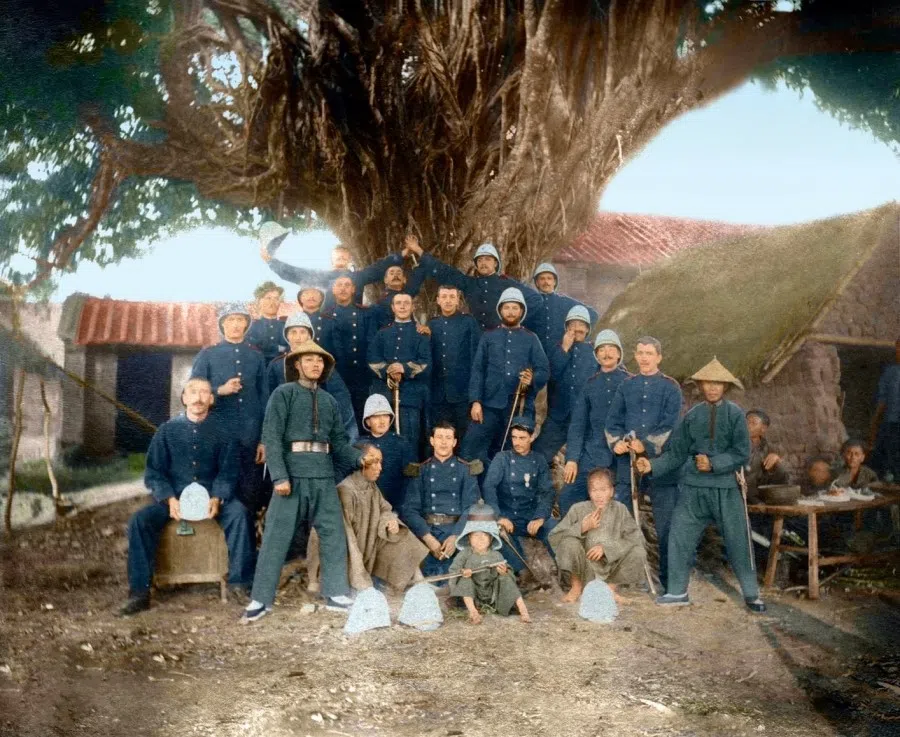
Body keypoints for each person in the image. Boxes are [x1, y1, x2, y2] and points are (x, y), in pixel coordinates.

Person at [242, 341, 380, 622]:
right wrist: (279, 475)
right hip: (291, 475)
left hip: (322, 475)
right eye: (308, 360)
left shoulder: (329, 402)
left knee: (332, 533)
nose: (315, 365)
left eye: (319, 361)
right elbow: (271, 437)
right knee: (276, 537)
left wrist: (359, 460)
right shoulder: (283, 394)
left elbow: (340, 443)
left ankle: (336, 593)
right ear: (297, 365)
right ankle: (260, 599)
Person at [636, 358, 766, 613]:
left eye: (718, 383)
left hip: (726, 489)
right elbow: (676, 453)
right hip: (693, 489)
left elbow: (742, 452)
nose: (713, 388)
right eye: (708, 382)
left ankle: (752, 594)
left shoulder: (735, 414)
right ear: (700, 385)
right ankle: (677, 591)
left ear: (725, 386)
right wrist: (652, 466)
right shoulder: (693, 415)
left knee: (738, 540)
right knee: (679, 536)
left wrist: (715, 463)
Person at [120, 378, 255, 615]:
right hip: (175, 499)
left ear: (212, 399)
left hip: (213, 498)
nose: (198, 397)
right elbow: (154, 473)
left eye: (204, 392)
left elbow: (229, 471)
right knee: (140, 521)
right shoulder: (167, 431)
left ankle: (238, 583)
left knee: (240, 515)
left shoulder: (224, 432)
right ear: (183, 398)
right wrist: (169, 499)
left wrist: (218, 496)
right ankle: (139, 592)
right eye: (192, 392)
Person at [604, 336, 682, 590]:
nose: (644, 358)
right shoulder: (626, 387)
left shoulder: (671, 387)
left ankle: (671, 583)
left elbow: (670, 424)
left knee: (665, 524)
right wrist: (617, 443)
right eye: (640, 353)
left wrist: (646, 446)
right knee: (623, 519)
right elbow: (613, 422)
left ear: (659, 357)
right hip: (628, 465)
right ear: (635, 356)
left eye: (650, 353)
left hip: (661, 465)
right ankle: (625, 578)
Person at [306, 445, 428, 594]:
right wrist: (362, 583)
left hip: (366, 546)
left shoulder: (370, 486)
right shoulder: (345, 490)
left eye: (380, 462)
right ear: (360, 462)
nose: (380, 468)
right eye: (375, 462)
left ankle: (418, 581)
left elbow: (384, 508)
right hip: (347, 555)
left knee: (400, 533)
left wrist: (390, 520)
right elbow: (348, 541)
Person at [459, 288, 549, 471]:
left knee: (512, 451)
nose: (510, 312)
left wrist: (532, 378)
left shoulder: (531, 339)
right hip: (488, 405)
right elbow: (478, 370)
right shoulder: (489, 336)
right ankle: (474, 490)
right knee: (472, 447)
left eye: (515, 308)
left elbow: (544, 370)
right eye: (506, 307)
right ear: (500, 310)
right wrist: (476, 401)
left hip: (517, 407)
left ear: (522, 311)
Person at [191, 303, 268, 514]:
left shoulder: (256, 356)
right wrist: (219, 391)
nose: (235, 325)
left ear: (246, 324)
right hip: (217, 434)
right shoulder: (208, 354)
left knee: (250, 493)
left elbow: (265, 399)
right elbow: (192, 392)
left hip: (250, 438)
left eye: (240, 320)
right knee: (216, 491)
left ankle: (247, 543)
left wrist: (263, 439)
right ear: (222, 325)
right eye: (230, 320)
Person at [559, 330, 631, 517]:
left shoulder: (630, 383)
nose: (606, 353)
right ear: (596, 354)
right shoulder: (590, 384)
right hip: (591, 455)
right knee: (568, 496)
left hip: (620, 458)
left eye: (611, 349)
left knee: (618, 506)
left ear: (619, 354)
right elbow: (578, 425)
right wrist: (573, 459)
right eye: (601, 349)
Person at [549, 468, 647, 604]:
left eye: (604, 490)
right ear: (589, 493)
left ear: (612, 491)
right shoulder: (578, 509)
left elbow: (636, 537)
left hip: (611, 569)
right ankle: (576, 588)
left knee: (638, 551)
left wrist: (607, 549)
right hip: (585, 568)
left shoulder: (620, 509)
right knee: (568, 541)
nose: (599, 495)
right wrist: (582, 527)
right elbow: (555, 537)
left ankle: (609, 590)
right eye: (594, 491)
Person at [258, 221, 403, 312]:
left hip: (354, 323)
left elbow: (379, 268)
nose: (341, 257)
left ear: (350, 259)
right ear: (331, 259)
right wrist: (271, 261)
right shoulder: (320, 276)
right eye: (337, 255)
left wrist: (403, 253)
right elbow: (294, 272)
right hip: (327, 322)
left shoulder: (358, 277)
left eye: (344, 255)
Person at [481, 416, 556, 590]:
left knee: (556, 528)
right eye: (514, 437)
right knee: (494, 532)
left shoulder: (539, 460)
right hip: (508, 517)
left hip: (530, 517)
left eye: (522, 438)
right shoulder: (502, 458)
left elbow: (547, 492)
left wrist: (540, 517)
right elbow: (489, 486)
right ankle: (523, 573)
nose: (517, 442)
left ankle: (565, 573)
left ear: (531, 437)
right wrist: (499, 516)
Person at [400, 421, 480, 578]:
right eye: (440, 437)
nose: (444, 442)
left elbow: (471, 508)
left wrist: (456, 537)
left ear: (455, 442)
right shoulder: (421, 470)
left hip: (456, 530)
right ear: (432, 441)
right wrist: (428, 538)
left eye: (448, 438)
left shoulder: (466, 470)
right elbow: (410, 510)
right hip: (427, 531)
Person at [266, 312, 358, 447]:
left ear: (310, 335)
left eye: (303, 332)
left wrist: (349, 441)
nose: (298, 337)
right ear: (287, 336)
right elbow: (269, 402)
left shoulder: (322, 362)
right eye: (293, 332)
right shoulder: (277, 365)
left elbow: (341, 399)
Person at [407, 239, 539, 330]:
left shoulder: (507, 283)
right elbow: (444, 271)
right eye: (480, 260)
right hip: (476, 339)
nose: (483, 263)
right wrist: (418, 250)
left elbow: (535, 300)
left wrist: (513, 321)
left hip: (502, 339)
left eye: (488, 259)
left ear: (496, 263)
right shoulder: (470, 283)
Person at [367, 292, 432, 454]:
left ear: (412, 307)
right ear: (393, 307)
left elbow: (426, 362)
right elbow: (372, 359)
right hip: (385, 399)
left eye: (406, 303)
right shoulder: (382, 333)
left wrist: (404, 368)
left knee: (410, 442)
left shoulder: (420, 334)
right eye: (398, 303)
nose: (402, 306)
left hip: (411, 398)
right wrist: (388, 370)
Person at [533, 305, 597, 465]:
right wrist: (564, 348)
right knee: (538, 456)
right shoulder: (556, 349)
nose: (577, 329)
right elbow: (550, 375)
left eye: (581, 325)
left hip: (584, 418)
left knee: (585, 460)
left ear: (588, 329)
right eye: (573, 325)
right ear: (567, 328)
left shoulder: (594, 352)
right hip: (557, 416)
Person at [448, 502, 531, 624]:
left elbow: (508, 572)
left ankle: (523, 611)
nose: (480, 539)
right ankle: (473, 613)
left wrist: (503, 572)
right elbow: (453, 570)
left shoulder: (496, 555)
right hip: (474, 596)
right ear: (469, 538)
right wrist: (462, 573)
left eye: (484, 535)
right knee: (465, 580)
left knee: (506, 578)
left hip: (493, 596)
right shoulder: (464, 554)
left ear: (491, 538)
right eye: (475, 535)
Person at [324, 275, 378, 430]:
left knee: (362, 416)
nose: (343, 288)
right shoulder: (326, 316)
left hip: (361, 374)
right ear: (333, 290)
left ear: (354, 289)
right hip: (336, 374)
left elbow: (372, 342)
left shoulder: (364, 313)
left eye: (347, 285)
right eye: (339, 285)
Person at [428, 285, 482, 438]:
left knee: (463, 436)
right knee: (439, 435)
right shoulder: (432, 324)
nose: (448, 301)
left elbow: (477, 361)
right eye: (444, 297)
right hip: (437, 394)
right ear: (438, 300)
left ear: (458, 300)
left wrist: (475, 397)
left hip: (462, 393)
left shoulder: (468, 322)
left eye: (452, 297)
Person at [524, 263, 598, 356]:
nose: (546, 282)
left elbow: (593, 314)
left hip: (560, 353)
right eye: (542, 279)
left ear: (554, 282)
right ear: (537, 283)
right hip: (536, 354)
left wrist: (575, 334)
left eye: (549, 278)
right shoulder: (531, 302)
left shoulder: (565, 302)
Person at [359, 394, 417, 510]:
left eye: (385, 415)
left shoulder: (402, 443)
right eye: (376, 416)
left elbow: (412, 479)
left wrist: (401, 510)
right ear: (368, 421)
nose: (382, 421)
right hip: (366, 506)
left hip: (395, 507)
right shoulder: (360, 446)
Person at [869, 339, 900, 481]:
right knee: (885, 465)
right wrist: (874, 427)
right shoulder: (890, 372)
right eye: (898, 348)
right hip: (890, 425)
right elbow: (881, 402)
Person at [745, 409, 790, 504]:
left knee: (779, 467)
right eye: (746, 422)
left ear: (763, 429)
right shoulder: (736, 445)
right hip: (742, 495)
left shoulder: (768, 448)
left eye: (753, 423)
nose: (748, 425)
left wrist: (776, 458)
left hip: (761, 494)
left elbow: (783, 474)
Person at [245, 281, 288, 364]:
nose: (272, 302)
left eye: (276, 298)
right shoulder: (251, 327)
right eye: (268, 298)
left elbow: (290, 348)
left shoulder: (286, 326)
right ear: (259, 301)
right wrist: (280, 348)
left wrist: (266, 346)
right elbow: (251, 349)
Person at [297, 287, 337, 356]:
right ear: (300, 298)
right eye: (307, 293)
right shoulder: (292, 321)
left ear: (321, 298)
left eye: (315, 293)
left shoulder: (332, 322)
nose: (311, 296)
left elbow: (338, 352)